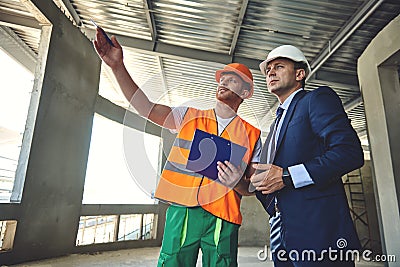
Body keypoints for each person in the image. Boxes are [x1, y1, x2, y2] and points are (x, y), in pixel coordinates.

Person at [93, 28, 261, 267]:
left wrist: (238, 183)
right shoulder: (188, 117)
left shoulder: (253, 135)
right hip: (183, 211)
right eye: (222, 79)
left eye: (232, 80)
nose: (224, 82)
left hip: (224, 215)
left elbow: (252, 188)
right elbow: (145, 108)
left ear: (245, 92)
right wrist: (117, 67)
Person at [250, 45, 364, 266]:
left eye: (279, 66)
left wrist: (286, 176)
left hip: (319, 233)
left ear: (299, 74)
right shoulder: (274, 125)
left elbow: (349, 153)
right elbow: (270, 178)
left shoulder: (316, 99)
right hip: (281, 232)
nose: (270, 72)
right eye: (268, 70)